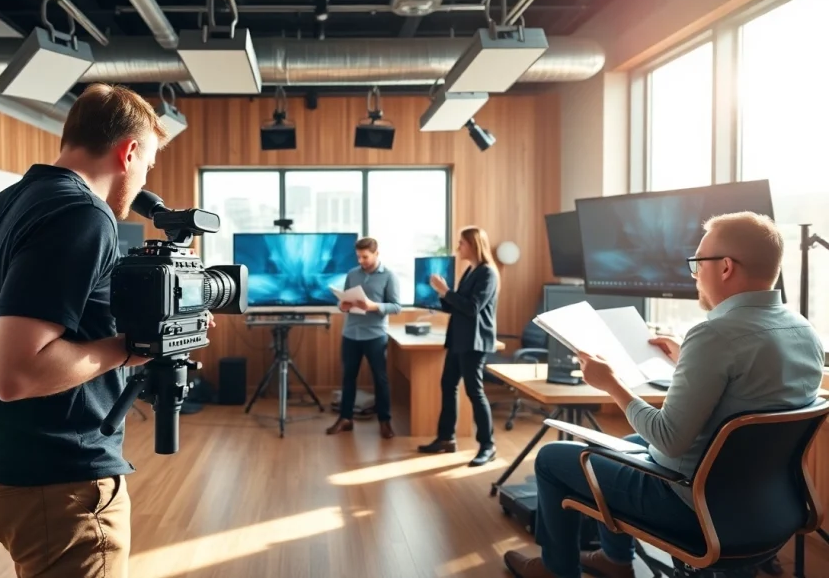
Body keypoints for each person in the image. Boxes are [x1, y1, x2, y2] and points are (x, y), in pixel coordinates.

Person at [502, 211, 825, 578]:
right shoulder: (804, 331)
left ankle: (556, 569)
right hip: (767, 505)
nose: (693, 274)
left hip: (693, 505)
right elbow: (747, 397)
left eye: (697, 262)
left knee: (551, 458)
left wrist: (611, 385)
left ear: (725, 268)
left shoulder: (714, 336)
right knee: (624, 441)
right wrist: (686, 360)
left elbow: (669, 440)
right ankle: (615, 560)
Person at [0, 83, 176, 578]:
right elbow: (15, 373)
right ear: (129, 152)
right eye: (148, 166)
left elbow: (41, 315)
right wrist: (128, 349)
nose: (144, 179)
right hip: (58, 481)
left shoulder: (12, 201)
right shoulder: (84, 215)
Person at [417, 226, 500, 467]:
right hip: (458, 338)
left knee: (475, 392)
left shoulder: (488, 273)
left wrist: (446, 291)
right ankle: (446, 438)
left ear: (473, 245)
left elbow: (473, 308)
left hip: (474, 341)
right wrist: (441, 296)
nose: (458, 248)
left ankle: (488, 445)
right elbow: (457, 306)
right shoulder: (470, 270)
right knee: (448, 385)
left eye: (461, 243)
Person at [327, 237, 402, 439]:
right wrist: (341, 305)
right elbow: (345, 302)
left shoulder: (389, 276)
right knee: (348, 378)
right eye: (359, 257)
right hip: (350, 334)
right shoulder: (352, 274)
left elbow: (396, 307)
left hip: (375, 336)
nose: (361, 261)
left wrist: (374, 306)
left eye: (365, 257)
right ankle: (346, 419)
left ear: (377, 253)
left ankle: (385, 422)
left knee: (381, 379)